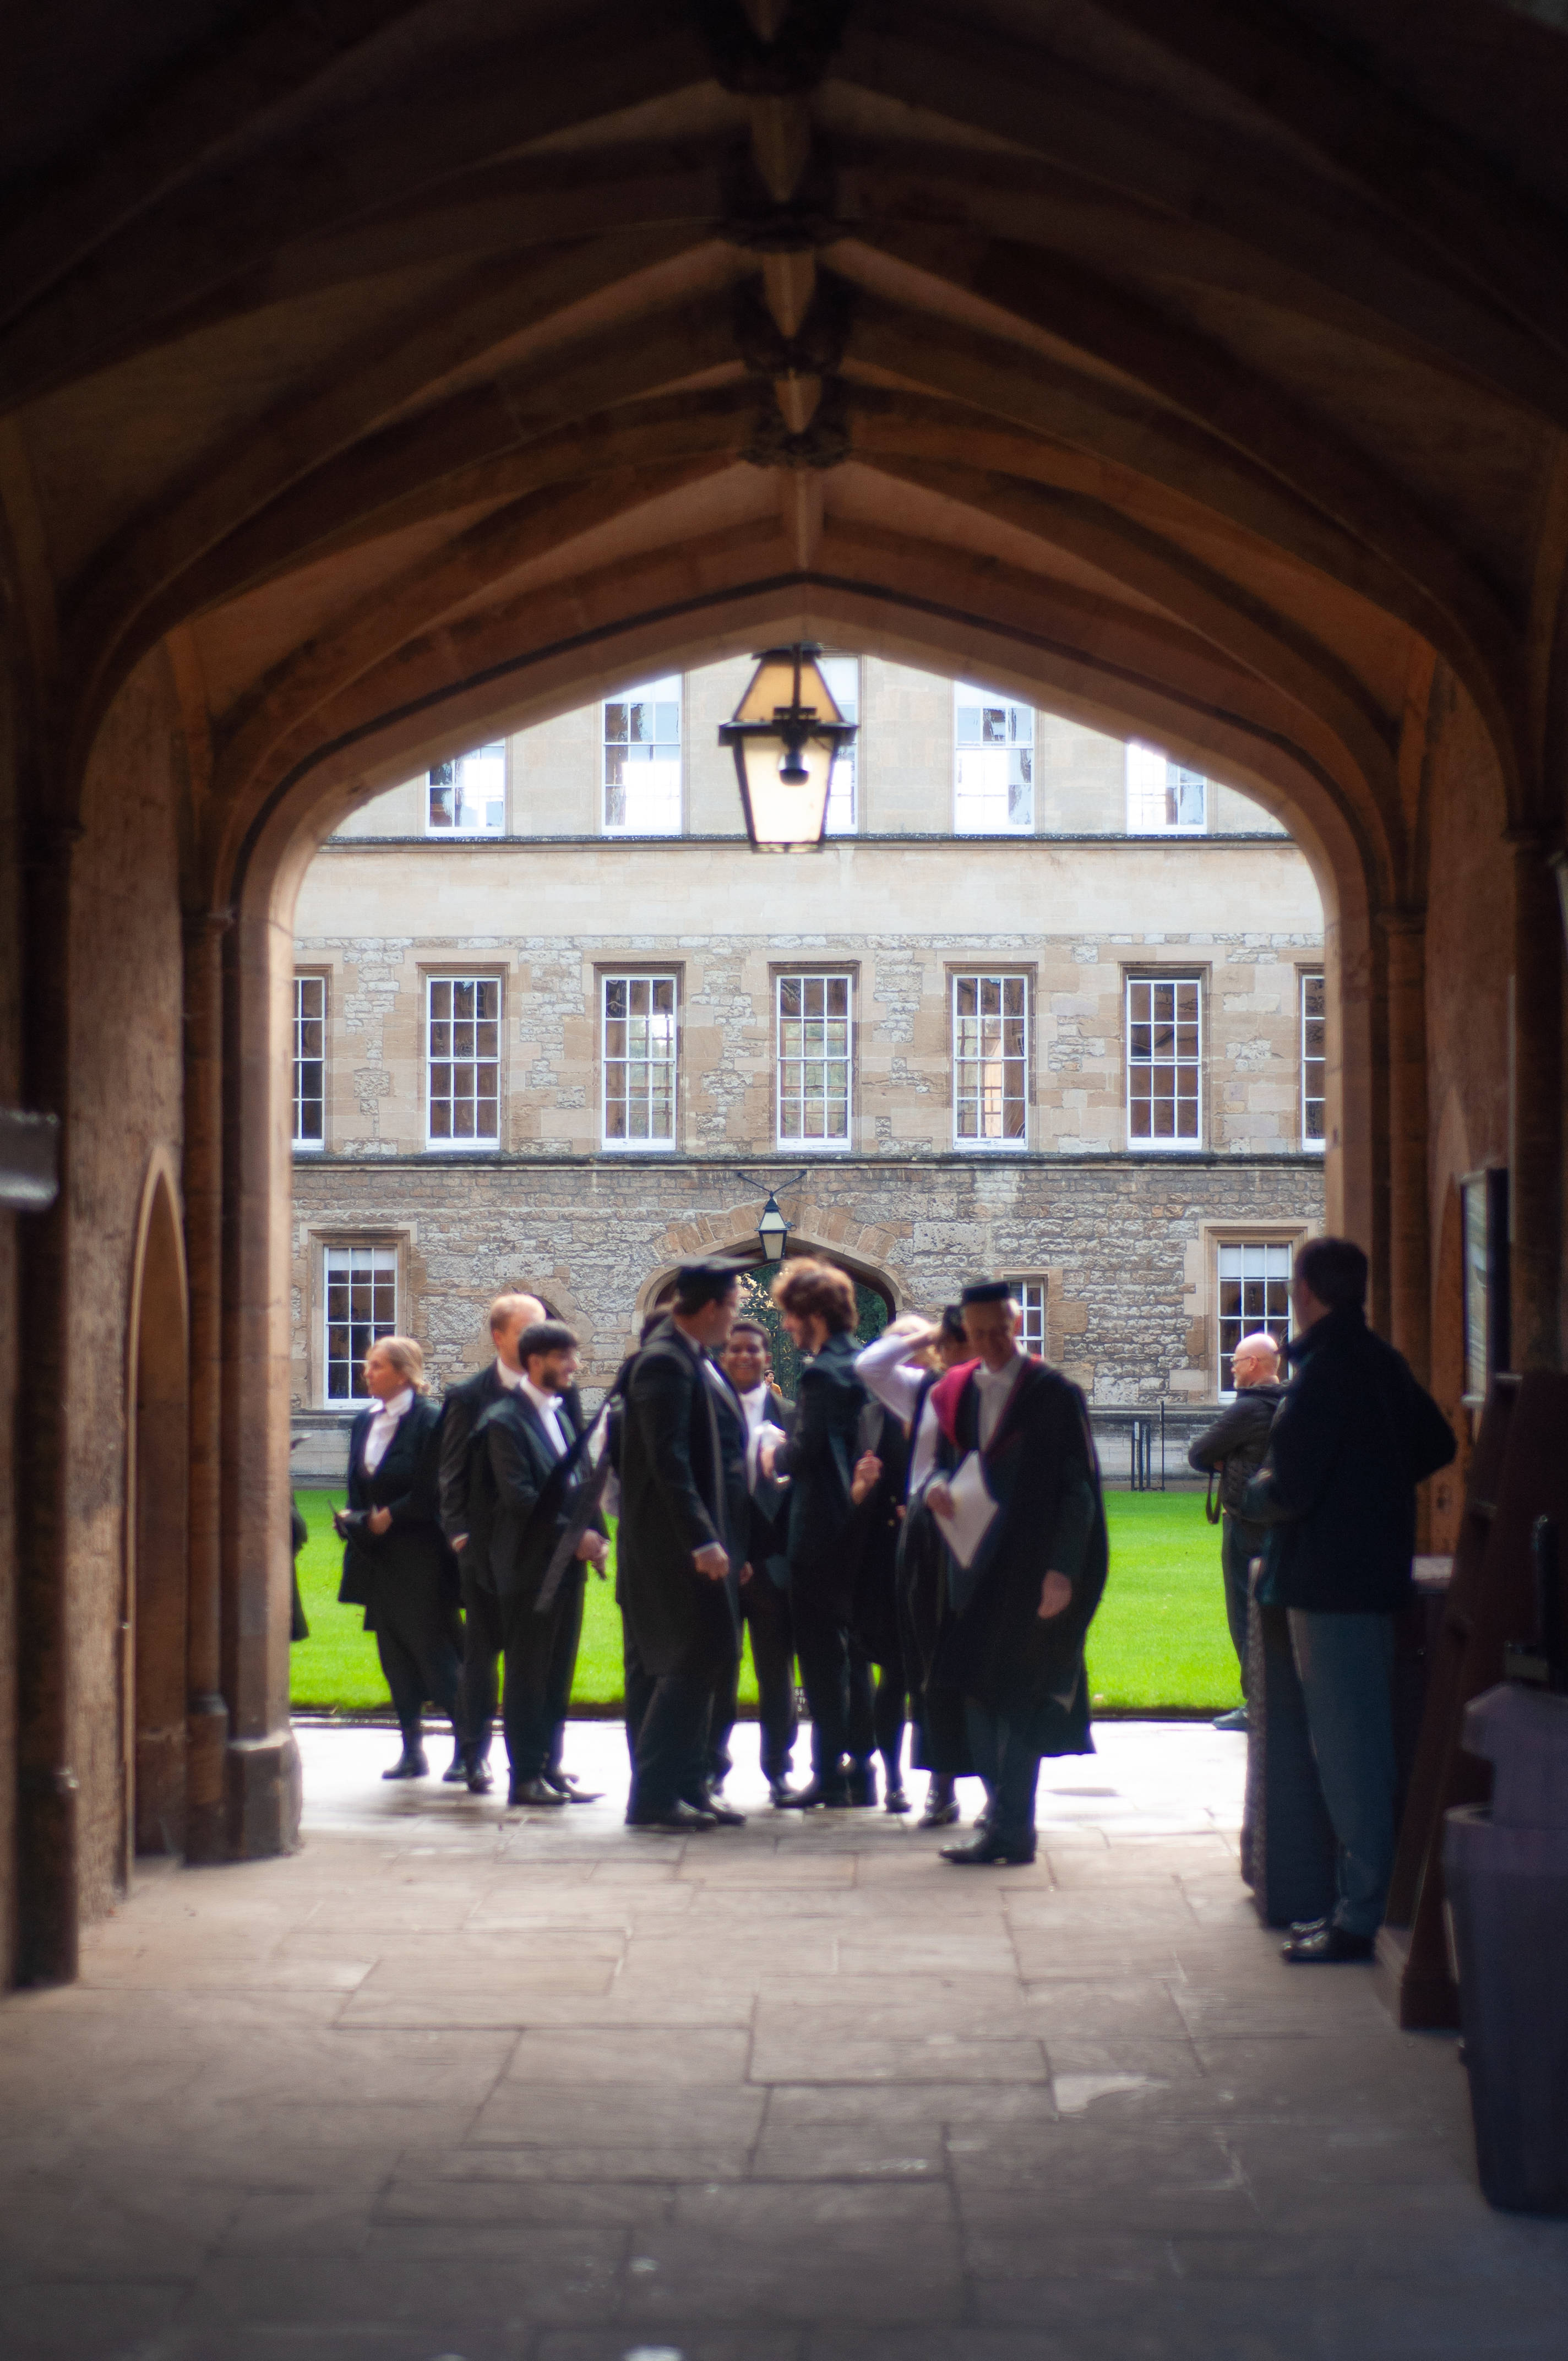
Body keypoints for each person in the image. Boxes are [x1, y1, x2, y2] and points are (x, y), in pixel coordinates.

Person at [1242, 1236, 1455, 1963]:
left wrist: (1254, 1491)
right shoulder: (1381, 1360)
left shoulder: (1325, 1370)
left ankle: (1362, 1914)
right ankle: (1368, 1899)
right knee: (1366, 1742)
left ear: (1306, 1290)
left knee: (1349, 1752)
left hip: (1331, 1585)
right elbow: (1435, 1443)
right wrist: (1375, 1490)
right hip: (1369, 1574)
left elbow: (1290, 1487)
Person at [925, 1282, 1108, 1866]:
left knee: (1023, 1695)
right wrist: (933, 1490)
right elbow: (940, 1466)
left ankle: (1011, 1826)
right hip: (973, 1562)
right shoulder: (959, 1392)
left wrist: (1062, 1572)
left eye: (998, 1331)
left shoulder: (1053, 1394)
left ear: (1017, 1321)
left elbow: (1076, 1489)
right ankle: (1002, 1815)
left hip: (1032, 1569)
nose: (990, 1344)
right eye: (977, 1334)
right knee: (975, 1690)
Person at [617, 1260, 749, 1831]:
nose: (737, 1319)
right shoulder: (664, 1362)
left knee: (705, 1661)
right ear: (712, 1307)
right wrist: (700, 1538)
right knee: (689, 1664)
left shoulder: (688, 1357)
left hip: (694, 1543)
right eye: (736, 1306)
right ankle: (652, 1799)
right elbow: (665, 1461)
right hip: (670, 1549)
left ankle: (690, 1786)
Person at [480, 1320, 610, 1808]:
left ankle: (550, 1767)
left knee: (558, 1671)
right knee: (528, 1673)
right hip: (527, 1567)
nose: (575, 1367)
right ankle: (525, 1777)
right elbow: (521, 1499)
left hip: (568, 1566)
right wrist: (575, 1538)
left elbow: (581, 1480)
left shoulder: (561, 1412)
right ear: (536, 1362)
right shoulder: (503, 1420)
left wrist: (598, 1537)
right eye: (566, 1357)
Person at [857, 1305, 974, 1827]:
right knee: (927, 1664)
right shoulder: (923, 1390)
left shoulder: (1006, 1391)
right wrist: (929, 1332)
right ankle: (941, 1785)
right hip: (926, 1544)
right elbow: (871, 1365)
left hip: (984, 1541)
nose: (953, 1353)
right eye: (949, 1344)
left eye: (960, 1342)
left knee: (980, 1665)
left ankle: (999, 1791)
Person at [760, 1260, 867, 1809]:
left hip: (820, 1533)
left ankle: (829, 1774)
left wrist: (769, 1450)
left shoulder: (824, 1373)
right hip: (854, 1531)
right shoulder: (861, 1363)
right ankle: (865, 1770)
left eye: (789, 1314)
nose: (785, 1326)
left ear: (814, 1314)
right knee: (852, 1656)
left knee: (823, 1661)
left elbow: (806, 1454)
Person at [335, 1335, 465, 1782]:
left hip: (422, 1555)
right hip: (377, 1555)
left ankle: (469, 1749)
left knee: (434, 1652)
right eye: (367, 1365)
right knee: (393, 1654)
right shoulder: (362, 1422)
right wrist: (353, 1520)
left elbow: (439, 1487)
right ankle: (412, 1748)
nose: (365, 1372)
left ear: (405, 1373)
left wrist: (393, 1514)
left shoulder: (431, 1421)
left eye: (376, 1366)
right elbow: (359, 1484)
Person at [437, 1290, 546, 1793]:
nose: (538, 1342)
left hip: (539, 1549)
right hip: (482, 1549)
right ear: (499, 1337)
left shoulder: (553, 1392)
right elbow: (451, 1473)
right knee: (481, 1657)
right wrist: (459, 1534)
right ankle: (469, 1756)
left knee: (539, 1659)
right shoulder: (468, 1396)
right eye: (528, 1332)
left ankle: (540, 1761)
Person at [713, 1320, 799, 1806]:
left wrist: (770, 1557)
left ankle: (779, 1770)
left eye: (754, 1349)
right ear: (723, 1357)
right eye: (735, 1349)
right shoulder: (706, 1413)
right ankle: (712, 1768)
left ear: (767, 1357)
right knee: (718, 1669)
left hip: (771, 1567)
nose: (745, 1356)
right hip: (723, 1564)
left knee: (776, 1674)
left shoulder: (790, 1415)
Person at [1187, 1330, 1288, 1731]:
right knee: (1271, 1611)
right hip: (1278, 1520)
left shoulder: (1246, 1410)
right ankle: (1274, 1701)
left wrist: (1225, 1462)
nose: (1231, 1367)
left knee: (1245, 1614)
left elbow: (1198, 1454)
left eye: (1236, 1360)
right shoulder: (1289, 1404)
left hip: (1244, 1520)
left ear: (1253, 1365)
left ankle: (1256, 1706)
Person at [844, 1390, 912, 1811]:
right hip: (867, 1559)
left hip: (915, 1560)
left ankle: (895, 1777)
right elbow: (841, 1497)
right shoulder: (865, 1417)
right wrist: (861, 1484)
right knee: (857, 1668)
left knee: (898, 1672)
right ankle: (862, 1765)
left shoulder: (938, 1413)